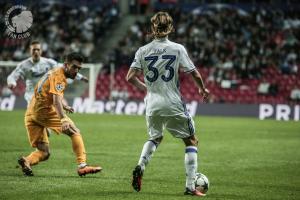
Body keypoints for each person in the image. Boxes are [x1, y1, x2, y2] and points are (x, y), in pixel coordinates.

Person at [126, 12, 210, 196]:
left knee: (155, 138)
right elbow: (194, 73)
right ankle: (190, 187)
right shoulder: (177, 48)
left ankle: (140, 165)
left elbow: (130, 77)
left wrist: (147, 88)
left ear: (152, 28)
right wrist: (202, 89)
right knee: (191, 140)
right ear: (170, 28)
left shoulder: (142, 50)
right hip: (173, 102)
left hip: (152, 104)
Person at [18, 52, 102, 177]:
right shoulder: (59, 77)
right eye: (74, 67)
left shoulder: (54, 72)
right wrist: (63, 119)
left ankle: (27, 161)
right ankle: (82, 166)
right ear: (66, 65)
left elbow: (51, 95)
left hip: (31, 113)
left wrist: (65, 106)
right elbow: (56, 100)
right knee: (74, 132)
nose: (76, 70)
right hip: (43, 112)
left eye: (79, 68)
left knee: (44, 152)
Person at [7, 40, 88, 106]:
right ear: (30, 51)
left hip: (47, 93)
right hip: (32, 95)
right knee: (36, 118)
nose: (36, 51)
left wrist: (80, 77)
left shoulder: (48, 62)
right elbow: (12, 76)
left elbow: (65, 69)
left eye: (38, 49)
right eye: (34, 49)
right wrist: (12, 82)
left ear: (41, 51)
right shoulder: (23, 65)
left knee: (58, 110)